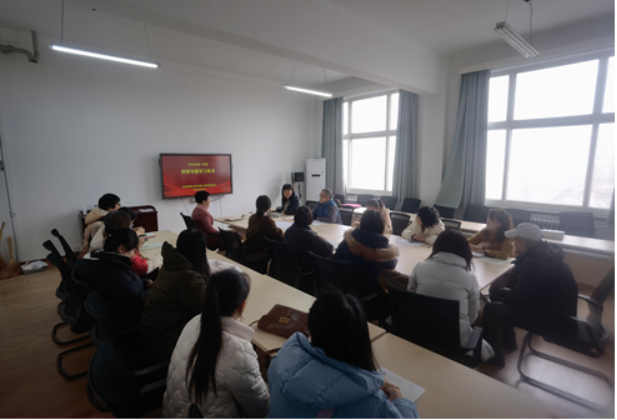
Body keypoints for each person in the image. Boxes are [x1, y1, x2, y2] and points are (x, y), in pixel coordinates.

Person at [268, 292, 420, 419]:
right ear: (361, 341)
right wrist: (400, 401)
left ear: (311, 333)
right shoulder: (372, 404)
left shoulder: (277, 363)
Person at [162, 269, 269, 420]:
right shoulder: (238, 353)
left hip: (173, 411)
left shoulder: (194, 322)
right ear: (243, 306)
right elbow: (260, 409)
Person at [482, 223, 579, 366]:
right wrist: (505, 295)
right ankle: (508, 341)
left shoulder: (535, 262)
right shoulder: (544, 252)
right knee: (499, 292)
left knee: (491, 309)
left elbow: (522, 295)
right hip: (549, 307)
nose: (512, 241)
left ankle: (495, 356)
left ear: (524, 244)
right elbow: (525, 287)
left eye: (515, 239)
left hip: (553, 320)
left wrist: (505, 298)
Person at [409, 230, 495, 362]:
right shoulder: (470, 278)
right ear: (465, 251)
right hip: (454, 337)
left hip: (420, 329)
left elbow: (411, 297)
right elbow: (472, 315)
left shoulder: (419, 267)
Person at [75, 227, 151, 327]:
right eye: (132, 250)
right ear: (121, 248)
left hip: (115, 304)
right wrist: (153, 289)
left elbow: (128, 285)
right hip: (130, 315)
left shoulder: (99, 257)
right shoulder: (114, 271)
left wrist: (145, 283)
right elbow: (137, 301)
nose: (132, 255)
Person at [334, 210, 399, 298]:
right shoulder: (382, 248)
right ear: (382, 226)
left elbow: (335, 260)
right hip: (366, 294)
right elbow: (392, 264)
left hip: (343, 290)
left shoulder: (349, 240)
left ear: (362, 223)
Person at [89, 209, 163, 278]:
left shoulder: (106, 235)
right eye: (130, 224)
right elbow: (142, 267)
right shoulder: (117, 248)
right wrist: (161, 257)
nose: (131, 227)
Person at [284, 206, 334, 271]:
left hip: (291, 266)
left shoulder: (288, 231)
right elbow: (329, 248)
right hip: (306, 267)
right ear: (309, 219)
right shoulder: (309, 236)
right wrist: (319, 238)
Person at [79, 193, 121, 258]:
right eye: (118, 204)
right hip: (102, 255)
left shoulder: (96, 215)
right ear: (109, 208)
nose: (120, 206)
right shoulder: (104, 222)